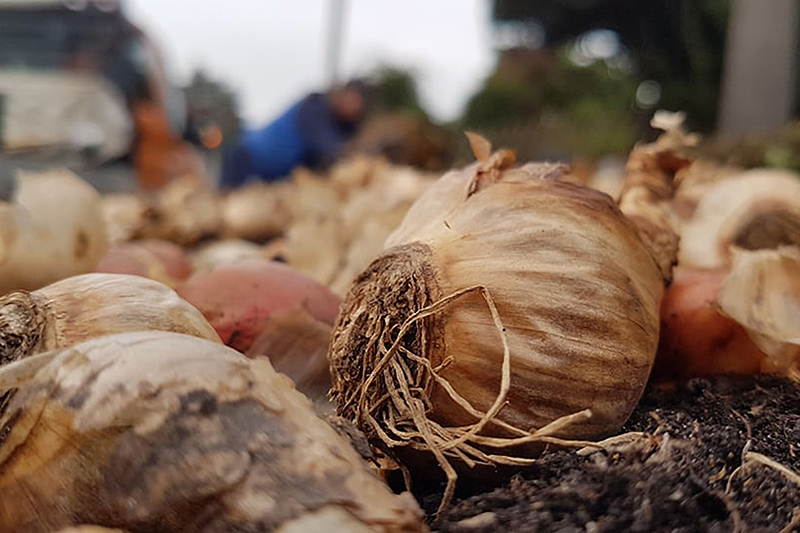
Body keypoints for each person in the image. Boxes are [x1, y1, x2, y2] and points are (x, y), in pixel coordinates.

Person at [219, 80, 367, 189]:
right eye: (352, 100)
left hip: (271, 176)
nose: (353, 107)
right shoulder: (315, 107)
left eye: (358, 104)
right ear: (341, 95)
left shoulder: (340, 129)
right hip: (244, 160)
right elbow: (330, 149)